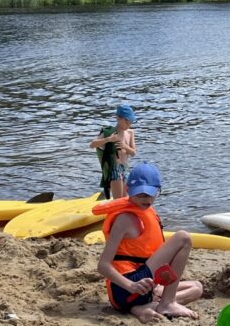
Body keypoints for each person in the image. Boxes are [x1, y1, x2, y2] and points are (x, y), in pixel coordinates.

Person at [94, 162, 202, 323]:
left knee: (197, 288)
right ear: (128, 191)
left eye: (151, 194)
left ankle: (144, 307)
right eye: (141, 194)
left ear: (158, 190)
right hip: (124, 290)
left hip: (142, 288)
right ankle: (167, 303)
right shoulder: (124, 219)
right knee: (183, 238)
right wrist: (131, 285)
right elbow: (103, 266)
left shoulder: (146, 211)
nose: (147, 199)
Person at [90, 104, 137, 199]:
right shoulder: (110, 132)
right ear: (118, 119)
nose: (129, 124)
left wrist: (125, 147)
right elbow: (92, 144)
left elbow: (133, 153)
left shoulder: (130, 133)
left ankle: (104, 196)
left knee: (126, 198)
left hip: (124, 168)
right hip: (114, 169)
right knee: (119, 199)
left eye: (131, 121)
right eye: (127, 121)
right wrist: (108, 139)